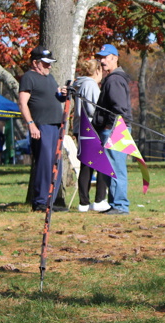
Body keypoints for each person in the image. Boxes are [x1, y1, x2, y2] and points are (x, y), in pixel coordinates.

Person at [18, 47, 68, 211]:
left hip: (56, 125)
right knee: (44, 164)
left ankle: (50, 202)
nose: (49, 66)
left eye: (50, 63)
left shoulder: (50, 78)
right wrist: (31, 124)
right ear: (35, 63)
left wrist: (62, 94)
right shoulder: (29, 78)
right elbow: (23, 103)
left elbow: (56, 97)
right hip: (41, 126)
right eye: (46, 63)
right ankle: (40, 202)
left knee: (56, 163)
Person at [92, 43, 133, 215]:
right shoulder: (112, 78)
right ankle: (115, 203)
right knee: (110, 168)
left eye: (105, 57)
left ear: (115, 58)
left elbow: (119, 108)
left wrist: (111, 126)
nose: (102, 61)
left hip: (115, 129)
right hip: (114, 128)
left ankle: (120, 205)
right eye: (100, 58)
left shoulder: (115, 79)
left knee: (116, 168)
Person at [72, 59, 107, 212]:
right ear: (97, 71)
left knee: (86, 165)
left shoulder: (79, 84)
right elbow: (93, 108)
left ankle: (84, 202)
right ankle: (99, 199)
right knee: (101, 163)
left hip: (81, 127)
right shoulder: (90, 85)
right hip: (91, 127)